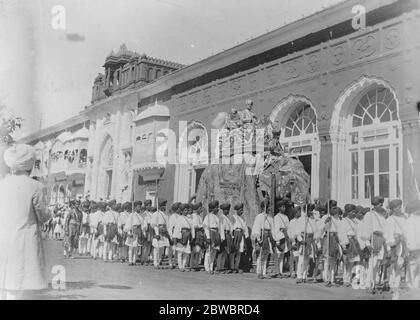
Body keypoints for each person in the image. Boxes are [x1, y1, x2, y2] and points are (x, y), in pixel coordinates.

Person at [0, 144, 50, 300]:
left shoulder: (2, 184)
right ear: (30, 165)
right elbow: (42, 216)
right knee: (19, 285)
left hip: (3, 240)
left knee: (6, 283)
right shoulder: (36, 186)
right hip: (23, 242)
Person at [359, 196, 387, 294]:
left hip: (381, 239)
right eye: (380, 204)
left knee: (378, 264)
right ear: (375, 205)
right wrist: (367, 243)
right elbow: (366, 229)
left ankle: (373, 284)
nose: (381, 205)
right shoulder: (369, 215)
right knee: (372, 263)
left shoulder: (382, 216)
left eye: (382, 204)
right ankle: (368, 285)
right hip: (373, 238)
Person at [384, 199, 409, 300]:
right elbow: (388, 235)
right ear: (393, 209)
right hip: (393, 245)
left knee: (399, 265)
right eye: (398, 207)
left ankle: (396, 285)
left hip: (402, 245)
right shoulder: (390, 220)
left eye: (400, 206)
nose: (400, 209)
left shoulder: (404, 218)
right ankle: (392, 284)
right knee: (393, 266)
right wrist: (391, 246)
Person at [251, 200, 276, 279]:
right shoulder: (259, 217)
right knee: (260, 254)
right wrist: (258, 238)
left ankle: (264, 272)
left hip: (268, 237)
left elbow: (273, 229)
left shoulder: (270, 218)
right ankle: (259, 272)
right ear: (264, 208)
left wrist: (274, 238)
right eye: (268, 207)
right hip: (262, 236)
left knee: (266, 254)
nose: (269, 208)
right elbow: (256, 227)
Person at [294, 204, 318, 284]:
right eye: (309, 210)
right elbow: (297, 232)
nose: (311, 212)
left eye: (312, 210)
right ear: (305, 210)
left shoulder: (313, 220)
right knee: (301, 259)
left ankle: (304, 276)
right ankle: (299, 276)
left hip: (311, 240)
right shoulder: (301, 219)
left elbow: (316, 231)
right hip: (304, 239)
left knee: (307, 259)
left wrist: (315, 241)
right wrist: (300, 240)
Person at [340, 204, 362, 287]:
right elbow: (342, 234)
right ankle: (345, 279)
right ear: (348, 212)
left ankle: (352, 279)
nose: (354, 214)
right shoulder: (344, 221)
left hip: (355, 242)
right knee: (347, 262)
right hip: (348, 242)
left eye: (354, 212)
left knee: (355, 261)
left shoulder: (355, 221)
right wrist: (344, 246)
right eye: (352, 212)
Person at [322, 205, 342, 287]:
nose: (336, 213)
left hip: (336, 239)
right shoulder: (329, 219)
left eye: (337, 211)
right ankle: (327, 279)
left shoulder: (340, 220)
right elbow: (323, 229)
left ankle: (332, 279)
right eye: (335, 211)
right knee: (327, 260)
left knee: (334, 260)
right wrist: (326, 222)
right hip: (329, 239)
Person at [273, 199, 290, 278]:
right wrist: (277, 240)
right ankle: (277, 271)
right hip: (280, 236)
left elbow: (288, 227)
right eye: (282, 207)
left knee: (282, 255)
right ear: (279, 208)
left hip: (285, 235)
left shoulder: (286, 217)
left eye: (285, 207)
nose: (284, 208)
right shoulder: (277, 217)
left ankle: (280, 271)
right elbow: (276, 229)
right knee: (278, 255)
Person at [173, 203, 194, 272]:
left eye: (187, 210)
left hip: (187, 235)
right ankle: (180, 266)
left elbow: (192, 227)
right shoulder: (179, 218)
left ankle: (184, 265)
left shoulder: (189, 218)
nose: (186, 211)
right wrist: (178, 236)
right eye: (184, 210)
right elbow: (177, 228)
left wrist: (192, 235)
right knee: (180, 252)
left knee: (186, 252)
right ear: (181, 211)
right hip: (181, 236)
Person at [203, 201, 221, 275]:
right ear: (213, 208)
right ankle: (207, 268)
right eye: (216, 207)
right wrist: (208, 237)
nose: (218, 209)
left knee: (214, 252)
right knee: (209, 251)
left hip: (216, 233)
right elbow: (205, 227)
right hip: (210, 233)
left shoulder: (217, 217)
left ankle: (211, 267)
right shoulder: (208, 217)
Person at [230, 203, 249, 273]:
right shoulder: (233, 217)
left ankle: (236, 267)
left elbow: (245, 228)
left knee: (240, 251)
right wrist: (232, 236)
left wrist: (246, 236)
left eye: (242, 210)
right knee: (234, 250)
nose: (242, 212)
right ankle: (232, 267)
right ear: (237, 210)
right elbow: (231, 226)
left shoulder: (242, 219)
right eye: (240, 210)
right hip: (235, 234)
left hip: (241, 234)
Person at [405, 199, 420, 290]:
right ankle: (410, 283)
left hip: (419, 246)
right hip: (413, 247)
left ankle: (416, 283)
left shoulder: (418, 219)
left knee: (418, 266)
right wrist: (411, 247)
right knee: (412, 266)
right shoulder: (410, 220)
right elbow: (410, 235)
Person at [151, 200, 170, 269]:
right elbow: (154, 225)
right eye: (163, 206)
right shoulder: (155, 214)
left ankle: (159, 261)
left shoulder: (165, 214)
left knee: (162, 248)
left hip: (164, 232)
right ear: (159, 206)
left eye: (164, 206)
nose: (164, 207)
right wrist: (157, 233)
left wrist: (168, 232)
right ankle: (155, 263)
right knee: (156, 248)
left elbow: (167, 224)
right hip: (158, 231)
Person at [124, 201, 143, 266]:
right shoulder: (131, 215)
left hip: (138, 231)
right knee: (131, 247)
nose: (140, 208)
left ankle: (134, 260)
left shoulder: (140, 215)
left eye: (140, 206)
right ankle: (130, 260)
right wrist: (129, 232)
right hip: (133, 231)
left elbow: (142, 224)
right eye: (138, 206)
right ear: (135, 207)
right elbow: (128, 224)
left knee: (136, 247)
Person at [216, 203, 233, 274]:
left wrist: (231, 236)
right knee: (222, 252)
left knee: (226, 252)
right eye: (226, 210)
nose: (227, 211)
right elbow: (221, 228)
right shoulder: (221, 217)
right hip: (224, 235)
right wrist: (222, 237)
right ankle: (219, 267)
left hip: (228, 235)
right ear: (223, 210)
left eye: (228, 210)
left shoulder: (227, 218)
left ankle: (224, 267)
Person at [190, 202, 205, 272]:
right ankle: (192, 265)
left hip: (200, 233)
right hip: (195, 233)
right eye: (200, 208)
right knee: (194, 250)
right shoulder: (193, 216)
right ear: (196, 209)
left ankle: (196, 264)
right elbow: (194, 225)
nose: (201, 210)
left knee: (198, 250)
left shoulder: (199, 216)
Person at [288, 207, 301, 278]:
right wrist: (293, 241)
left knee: (298, 256)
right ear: (296, 213)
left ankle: (297, 271)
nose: (300, 213)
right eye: (299, 212)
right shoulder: (292, 222)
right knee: (293, 257)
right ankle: (292, 271)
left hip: (299, 240)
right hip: (294, 240)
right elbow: (291, 232)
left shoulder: (300, 221)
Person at [140, 200, 153, 265]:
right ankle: (143, 259)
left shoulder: (151, 214)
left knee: (149, 245)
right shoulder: (144, 214)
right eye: (148, 205)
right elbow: (143, 223)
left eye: (150, 205)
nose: (150, 206)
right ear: (146, 206)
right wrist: (144, 232)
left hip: (151, 230)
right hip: (146, 230)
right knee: (144, 245)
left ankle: (146, 258)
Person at [168, 202, 181, 269]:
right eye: (179, 208)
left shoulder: (179, 216)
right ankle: (170, 261)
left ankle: (175, 261)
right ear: (177, 209)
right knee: (171, 249)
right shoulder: (173, 216)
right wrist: (171, 236)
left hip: (178, 234)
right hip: (173, 234)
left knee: (176, 249)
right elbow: (171, 227)